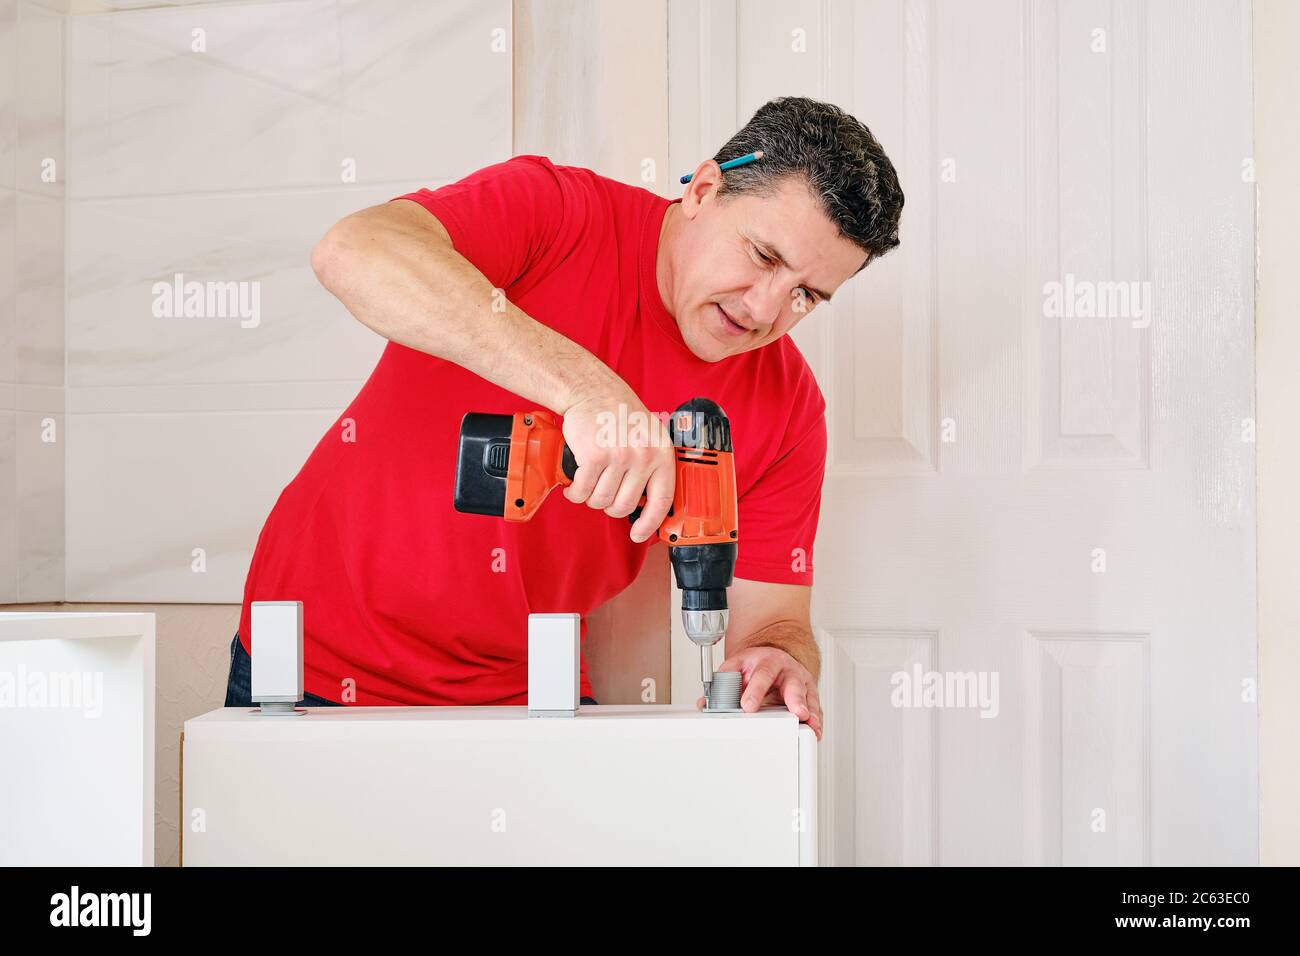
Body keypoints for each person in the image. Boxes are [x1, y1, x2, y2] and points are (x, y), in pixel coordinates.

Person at [223, 96, 904, 740]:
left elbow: (773, 622)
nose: (765, 311)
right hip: (311, 666)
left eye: (806, 295)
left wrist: (779, 661)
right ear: (702, 191)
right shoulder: (559, 212)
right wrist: (587, 391)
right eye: (762, 257)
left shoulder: (786, 407)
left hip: (530, 696)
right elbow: (353, 251)